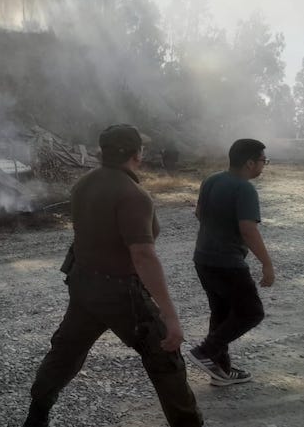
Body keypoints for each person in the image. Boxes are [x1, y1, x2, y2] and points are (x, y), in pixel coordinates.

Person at [23, 125, 202, 427]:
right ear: (137, 154)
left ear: (102, 151)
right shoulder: (133, 195)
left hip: (84, 285)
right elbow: (143, 256)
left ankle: (36, 415)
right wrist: (171, 318)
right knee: (165, 359)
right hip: (122, 294)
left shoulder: (83, 184)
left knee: (65, 352)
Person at [186, 138, 273, 386]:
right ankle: (204, 351)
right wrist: (267, 264)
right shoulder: (244, 189)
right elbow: (248, 229)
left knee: (221, 312)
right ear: (249, 163)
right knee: (251, 312)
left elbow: (199, 213)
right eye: (262, 161)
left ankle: (220, 370)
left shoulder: (212, 179)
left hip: (203, 258)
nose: (263, 165)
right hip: (227, 263)